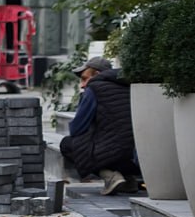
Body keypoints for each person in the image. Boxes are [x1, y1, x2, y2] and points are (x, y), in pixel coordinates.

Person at [60, 57, 140, 195]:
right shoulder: (129, 85)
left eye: (85, 78)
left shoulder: (95, 88)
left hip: (114, 155)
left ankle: (109, 176)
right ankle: (129, 180)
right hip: (136, 158)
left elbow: (77, 128)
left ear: (97, 75)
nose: (82, 85)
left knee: (68, 144)